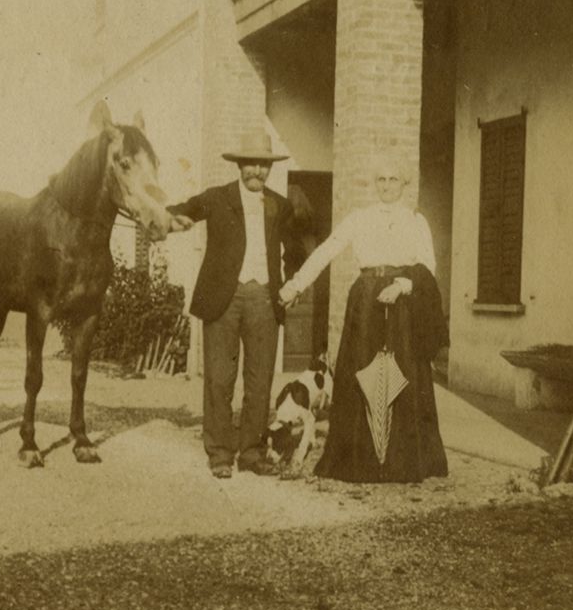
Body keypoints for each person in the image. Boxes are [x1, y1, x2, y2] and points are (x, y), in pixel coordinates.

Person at [278, 159, 448, 483]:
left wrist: (402, 286)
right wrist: (296, 285)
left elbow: (428, 266)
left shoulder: (415, 221)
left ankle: (399, 462)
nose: (386, 185)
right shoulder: (360, 218)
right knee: (361, 372)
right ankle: (362, 460)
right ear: (375, 183)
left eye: (393, 179)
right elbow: (326, 250)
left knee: (403, 376)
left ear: (404, 184)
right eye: (381, 179)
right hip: (366, 301)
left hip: (402, 303)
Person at [169, 131, 305, 479]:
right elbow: (181, 212)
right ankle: (219, 453)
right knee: (219, 377)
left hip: (264, 298)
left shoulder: (280, 205)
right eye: (251, 164)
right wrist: (167, 220)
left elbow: (295, 250)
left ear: (270, 168)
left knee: (260, 380)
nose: (257, 171)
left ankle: (251, 453)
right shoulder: (217, 198)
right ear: (240, 165)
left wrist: (292, 283)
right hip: (223, 298)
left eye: (264, 164)